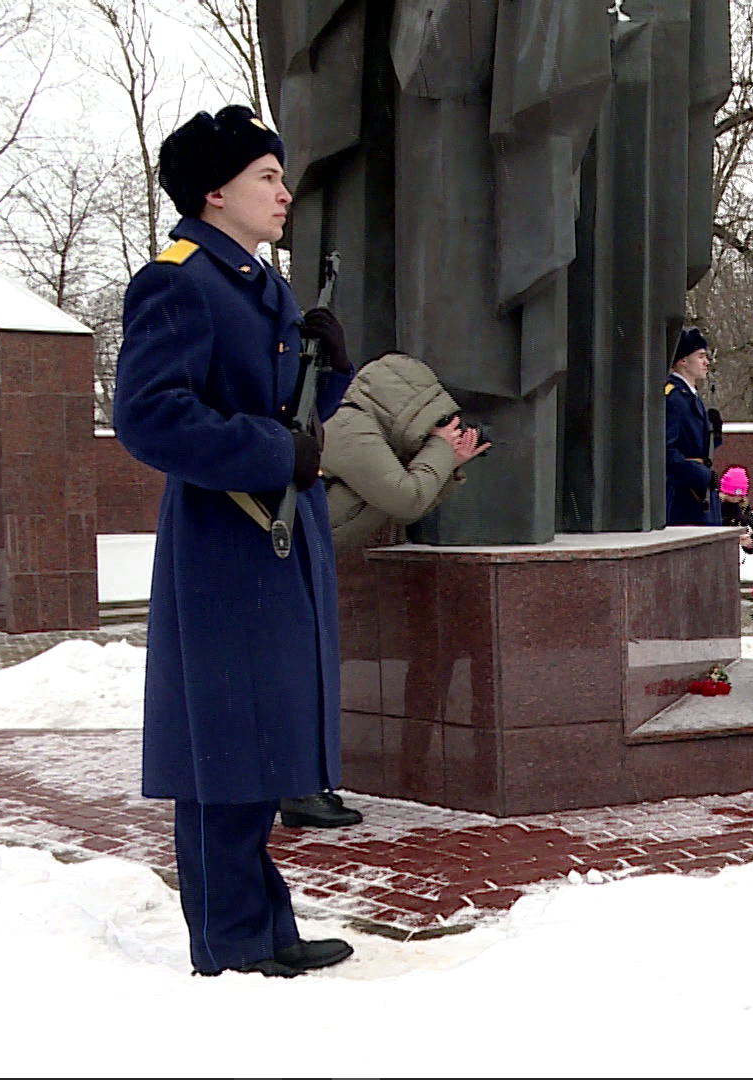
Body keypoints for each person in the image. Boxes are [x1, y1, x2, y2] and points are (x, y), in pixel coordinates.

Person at [113, 105, 353, 978]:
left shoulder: (257, 281)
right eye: (267, 176)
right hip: (227, 545)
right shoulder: (178, 279)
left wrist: (331, 372)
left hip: (278, 544)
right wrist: (270, 451)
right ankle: (231, 944)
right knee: (223, 749)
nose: (285, 192)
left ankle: (264, 924)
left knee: (264, 738)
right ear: (215, 192)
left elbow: (291, 420)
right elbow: (147, 419)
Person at [294, 351, 489, 829]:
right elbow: (403, 498)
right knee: (298, 678)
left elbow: (404, 501)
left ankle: (298, 785)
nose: (439, 429)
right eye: (434, 420)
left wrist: (447, 460)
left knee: (301, 676)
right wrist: (443, 452)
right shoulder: (351, 427)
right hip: (287, 566)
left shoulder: (369, 431)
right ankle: (296, 787)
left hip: (302, 564)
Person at [323, 352, 489, 552]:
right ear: (409, 410)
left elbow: (400, 515)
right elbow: (406, 501)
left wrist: (449, 462)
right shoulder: (349, 427)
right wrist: (439, 446)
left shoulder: (379, 434)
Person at [665, 327, 722, 526]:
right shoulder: (674, 397)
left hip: (698, 491)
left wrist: (714, 434)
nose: (706, 362)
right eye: (700, 356)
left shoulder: (690, 396)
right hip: (683, 494)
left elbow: (699, 449)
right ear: (682, 360)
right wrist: (699, 474)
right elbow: (665, 450)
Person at [719, 466, 753, 554]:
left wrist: (749, 543)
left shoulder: (743, 508)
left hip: (731, 555)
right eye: (731, 495)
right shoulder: (716, 506)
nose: (735, 499)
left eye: (739, 496)